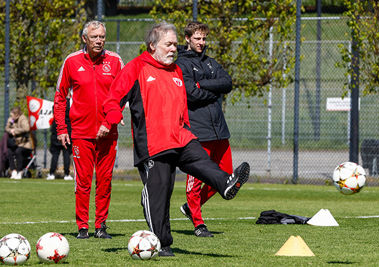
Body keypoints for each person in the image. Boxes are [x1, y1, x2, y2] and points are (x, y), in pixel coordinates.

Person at [100, 22, 250, 257]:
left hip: (181, 137)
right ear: (152, 45)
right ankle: (162, 242)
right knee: (160, 196)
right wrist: (113, 115)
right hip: (153, 145)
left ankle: (226, 183)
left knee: (202, 162)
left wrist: (187, 127)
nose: (174, 49)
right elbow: (113, 98)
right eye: (168, 44)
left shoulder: (177, 71)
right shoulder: (136, 67)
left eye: (174, 44)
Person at [54, 20, 124, 239]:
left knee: (105, 181)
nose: (99, 41)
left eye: (102, 36)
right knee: (83, 182)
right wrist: (61, 129)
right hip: (81, 133)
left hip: (108, 133)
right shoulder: (71, 61)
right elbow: (60, 97)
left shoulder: (115, 61)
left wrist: (110, 121)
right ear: (84, 38)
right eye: (95, 37)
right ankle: (83, 228)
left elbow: (123, 95)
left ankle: (101, 226)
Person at [175, 21, 233, 237]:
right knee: (196, 180)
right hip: (198, 132)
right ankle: (199, 224)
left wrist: (204, 85)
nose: (202, 42)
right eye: (197, 38)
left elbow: (227, 83)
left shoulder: (211, 63)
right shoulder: (181, 64)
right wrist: (212, 89)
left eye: (204, 38)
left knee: (227, 178)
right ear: (187, 39)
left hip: (220, 130)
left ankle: (190, 208)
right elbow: (191, 94)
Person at [47, 98, 73, 181]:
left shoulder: (57, 103)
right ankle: (66, 174)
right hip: (67, 130)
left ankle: (51, 173)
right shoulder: (70, 104)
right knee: (66, 153)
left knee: (55, 154)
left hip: (57, 130)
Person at [5, 107, 33, 180]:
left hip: (25, 144)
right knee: (9, 151)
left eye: (12, 115)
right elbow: (7, 128)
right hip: (15, 143)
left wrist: (15, 131)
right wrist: (11, 130)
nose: (11, 117)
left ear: (16, 114)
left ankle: (20, 171)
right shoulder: (11, 119)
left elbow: (26, 128)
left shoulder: (23, 118)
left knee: (18, 151)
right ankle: (13, 170)